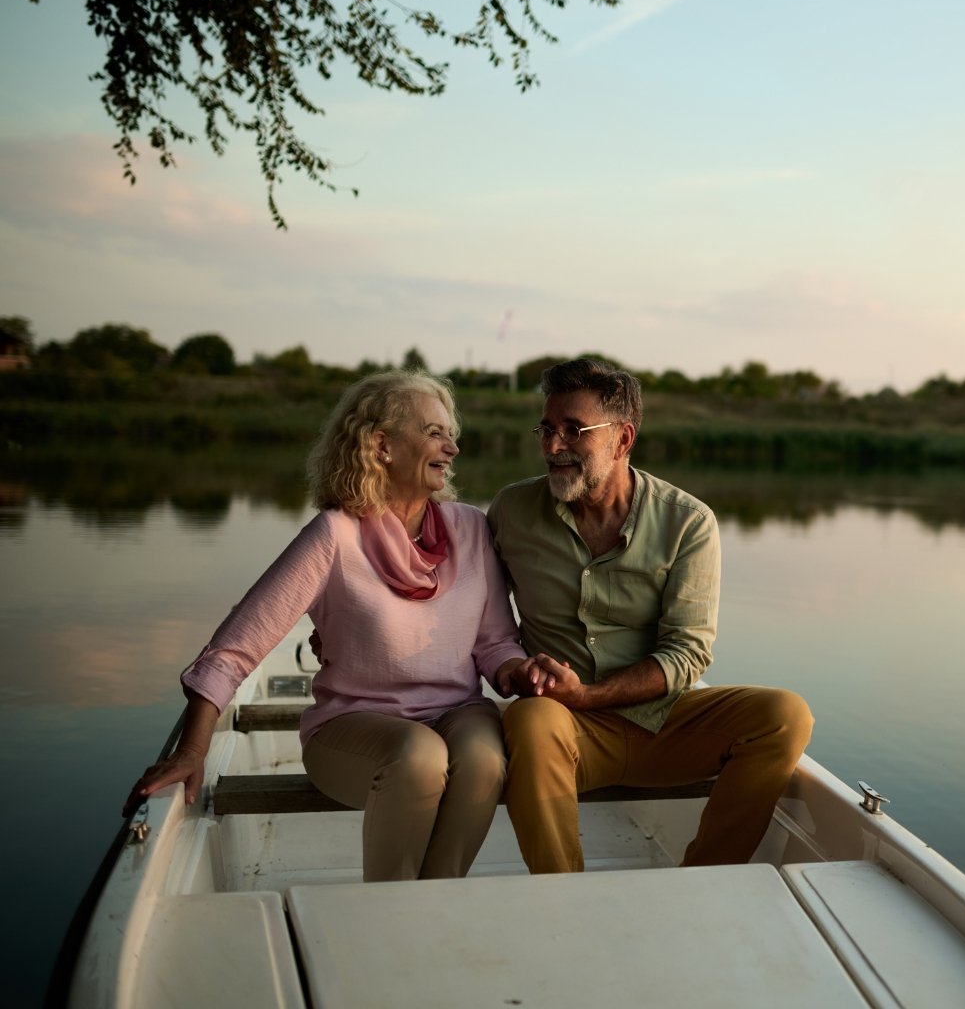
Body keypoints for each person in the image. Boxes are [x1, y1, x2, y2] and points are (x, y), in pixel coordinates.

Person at [124, 371, 546, 881]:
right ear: (382, 445)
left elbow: (496, 642)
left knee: (483, 757)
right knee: (419, 755)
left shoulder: (471, 527)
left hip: (458, 712)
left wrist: (518, 672)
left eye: (451, 434)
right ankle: (392, 903)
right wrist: (192, 751)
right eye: (434, 432)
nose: (452, 447)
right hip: (352, 728)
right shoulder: (334, 535)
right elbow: (235, 649)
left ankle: (436, 896)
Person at [488, 357, 814, 874]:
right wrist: (513, 666)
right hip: (562, 729)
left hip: (665, 724)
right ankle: (563, 894)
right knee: (530, 719)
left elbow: (688, 652)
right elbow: (481, 619)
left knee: (784, 716)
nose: (553, 446)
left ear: (622, 439)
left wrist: (588, 695)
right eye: (546, 429)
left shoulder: (688, 522)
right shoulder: (511, 510)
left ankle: (702, 882)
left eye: (574, 430)